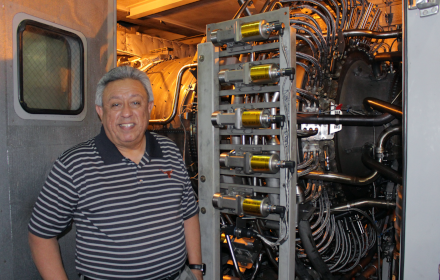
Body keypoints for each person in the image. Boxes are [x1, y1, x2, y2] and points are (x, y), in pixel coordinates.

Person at [28, 66, 203, 280]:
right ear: (101, 111)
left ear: (149, 108)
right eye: (116, 104)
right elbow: (41, 235)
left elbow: (188, 213)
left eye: (136, 102)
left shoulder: (170, 151)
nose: (127, 112)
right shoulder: (74, 165)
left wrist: (196, 269)